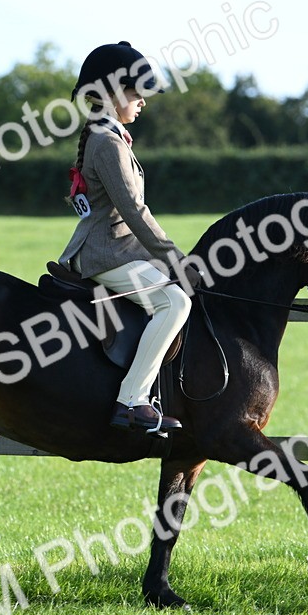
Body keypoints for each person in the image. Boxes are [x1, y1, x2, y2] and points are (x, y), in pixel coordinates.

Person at [58, 41, 193, 434]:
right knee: (173, 301)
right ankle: (131, 401)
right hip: (106, 255)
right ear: (113, 93)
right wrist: (175, 259)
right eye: (136, 93)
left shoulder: (105, 136)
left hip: (115, 250)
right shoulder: (107, 142)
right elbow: (135, 212)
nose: (142, 102)